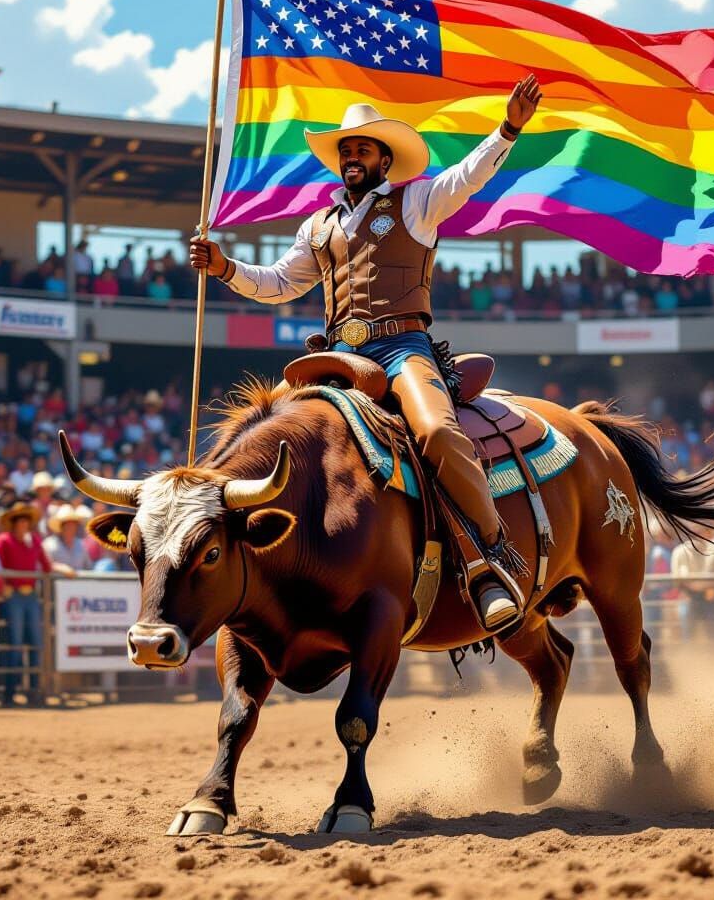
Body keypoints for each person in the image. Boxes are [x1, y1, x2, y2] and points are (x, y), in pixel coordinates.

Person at [190, 76, 544, 630]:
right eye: (346, 150)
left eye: (363, 149)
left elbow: (468, 178)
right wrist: (226, 267)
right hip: (334, 358)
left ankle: (488, 560)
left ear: (385, 159)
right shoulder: (318, 224)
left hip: (404, 348)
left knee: (438, 434)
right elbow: (281, 283)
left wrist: (508, 129)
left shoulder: (419, 201)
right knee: (254, 433)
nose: (352, 157)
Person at [0, 500, 75, 705]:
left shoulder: (35, 541)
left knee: (35, 643)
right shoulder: (3, 541)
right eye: (19, 520)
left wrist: (59, 568)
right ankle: (9, 693)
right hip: (13, 597)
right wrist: (2, 586)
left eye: (25, 520)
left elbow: (46, 565)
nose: (22, 524)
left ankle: (33, 691)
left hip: (30, 596)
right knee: (15, 644)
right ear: (13, 523)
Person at [669, 530, 714, 642]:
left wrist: (713, 587)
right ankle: (692, 655)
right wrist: (682, 591)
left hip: (707, 594)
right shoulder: (680, 551)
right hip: (689, 594)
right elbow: (676, 576)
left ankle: (713, 654)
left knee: (711, 629)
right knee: (690, 630)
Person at [43, 505, 90, 571]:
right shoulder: (48, 544)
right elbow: (44, 566)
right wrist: (58, 567)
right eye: (68, 525)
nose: (71, 528)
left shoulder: (82, 545)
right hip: (56, 581)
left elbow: (88, 567)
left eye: (74, 525)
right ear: (61, 527)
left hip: (79, 581)